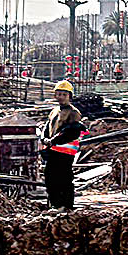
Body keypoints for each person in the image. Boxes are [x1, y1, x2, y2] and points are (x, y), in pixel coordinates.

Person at [41, 80, 85, 211]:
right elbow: (47, 126)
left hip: (65, 152)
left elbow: (71, 131)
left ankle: (66, 205)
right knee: (50, 177)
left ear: (69, 96)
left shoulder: (73, 113)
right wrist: (44, 138)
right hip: (53, 151)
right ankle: (56, 204)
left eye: (64, 94)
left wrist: (53, 140)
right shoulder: (54, 111)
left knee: (64, 179)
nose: (60, 97)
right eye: (58, 94)